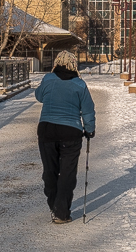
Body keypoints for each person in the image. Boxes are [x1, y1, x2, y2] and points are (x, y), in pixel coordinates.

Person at [35, 51, 95, 224]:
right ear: (74, 64)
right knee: (67, 173)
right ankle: (62, 213)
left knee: (50, 170)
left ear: (57, 62)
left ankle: (54, 204)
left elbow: (39, 96)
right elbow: (88, 110)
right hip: (71, 132)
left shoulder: (48, 79)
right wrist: (89, 129)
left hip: (47, 130)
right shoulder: (80, 84)